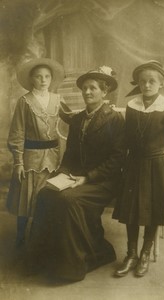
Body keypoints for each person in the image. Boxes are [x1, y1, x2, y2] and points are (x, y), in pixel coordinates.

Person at [26, 66, 125, 282]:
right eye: (85, 88)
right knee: (46, 193)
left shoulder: (115, 119)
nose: (87, 92)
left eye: (93, 88)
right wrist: (61, 174)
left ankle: (84, 259)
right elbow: (70, 154)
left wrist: (87, 178)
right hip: (76, 177)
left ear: (104, 92)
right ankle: (41, 259)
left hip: (103, 181)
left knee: (68, 199)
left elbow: (117, 159)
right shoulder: (79, 119)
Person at [113, 60, 164, 278]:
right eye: (142, 81)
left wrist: (158, 159)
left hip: (157, 164)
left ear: (161, 84)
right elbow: (126, 137)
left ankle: (145, 253)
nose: (146, 85)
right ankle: (131, 254)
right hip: (135, 163)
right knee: (132, 211)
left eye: (152, 81)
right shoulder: (132, 106)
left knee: (153, 210)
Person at [7, 58, 65, 248]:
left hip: (54, 157)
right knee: (27, 199)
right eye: (38, 77)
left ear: (51, 79)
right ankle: (21, 237)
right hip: (31, 158)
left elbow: (69, 123)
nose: (43, 80)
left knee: (47, 197)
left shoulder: (58, 99)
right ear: (31, 79)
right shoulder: (25, 102)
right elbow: (17, 132)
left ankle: (44, 238)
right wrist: (18, 162)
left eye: (47, 76)